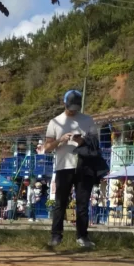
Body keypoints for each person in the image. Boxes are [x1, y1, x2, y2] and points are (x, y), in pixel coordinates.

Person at [40, 90, 98, 249]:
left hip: (83, 166)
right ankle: (56, 236)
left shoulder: (88, 120)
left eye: (76, 107)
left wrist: (82, 141)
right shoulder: (55, 122)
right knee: (60, 203)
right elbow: (47, 147)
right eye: (70, 107)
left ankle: (82, 236)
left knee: (83, 203)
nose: (73, 110)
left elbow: (95, 144)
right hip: (63, 167)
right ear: (64, 103)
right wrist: (61, 140)